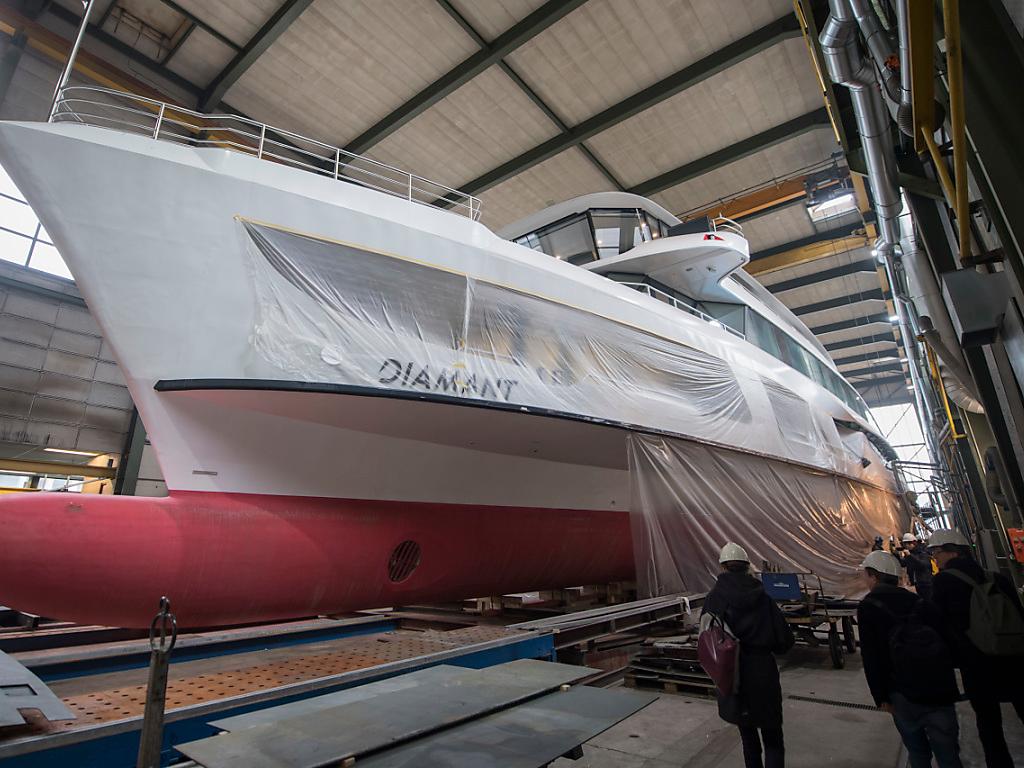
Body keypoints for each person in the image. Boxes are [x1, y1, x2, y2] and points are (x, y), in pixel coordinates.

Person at [857, 550, 963, 768]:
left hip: (901, 691)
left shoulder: (868, 606)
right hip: (938, 688)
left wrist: (880, 696)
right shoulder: (919, 601)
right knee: (949, 754)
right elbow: (947, 640)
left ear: (874, 576)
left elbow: (871, 656)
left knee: (917, 752)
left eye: (865, 575)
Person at [929, 529, 1024, 768]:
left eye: (937, 553)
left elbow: (938, 623)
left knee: (989, 724)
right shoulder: (997, 578)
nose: (935, 558)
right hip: (1014, 656)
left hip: (976, 663)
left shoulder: (944, 581)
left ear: (953, 552)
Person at [702, 543, 794, 768]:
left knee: (749, 739)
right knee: (773, 739)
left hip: (734, 676)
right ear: (747, 567)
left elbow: (705, 642)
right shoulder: (763, 597)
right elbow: (784, 641)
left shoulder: (714, 599)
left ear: (723, 567)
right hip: (763, 672)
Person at [899, 532, 935, 601]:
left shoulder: (923, 552)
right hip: (917, 583)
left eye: (907, 544)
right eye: (905, 544)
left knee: (929, 600)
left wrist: (910, 556)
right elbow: (903, 564)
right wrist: (897, 556)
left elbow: (922, 565)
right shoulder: (910, 553)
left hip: (926, 582)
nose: (906, 546)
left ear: (914, 543)